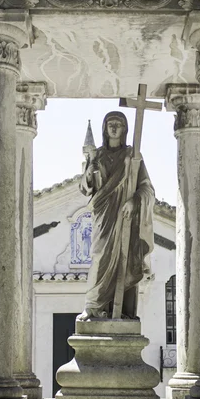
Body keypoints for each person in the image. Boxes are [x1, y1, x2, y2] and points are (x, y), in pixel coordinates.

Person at [77, 111, 155, 321]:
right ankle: (93, 306)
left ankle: (121, 311)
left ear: (124, 129)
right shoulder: (98, 155)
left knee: (125, 260)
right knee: (100, 256)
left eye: (118, 124)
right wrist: (89, 171)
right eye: (110, 123)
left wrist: (134, 201)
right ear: (104, 128)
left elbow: (147, 188)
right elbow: (85, 188)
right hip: (103, 215)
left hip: (126, 216)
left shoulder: (133, 157)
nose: (113, 127)